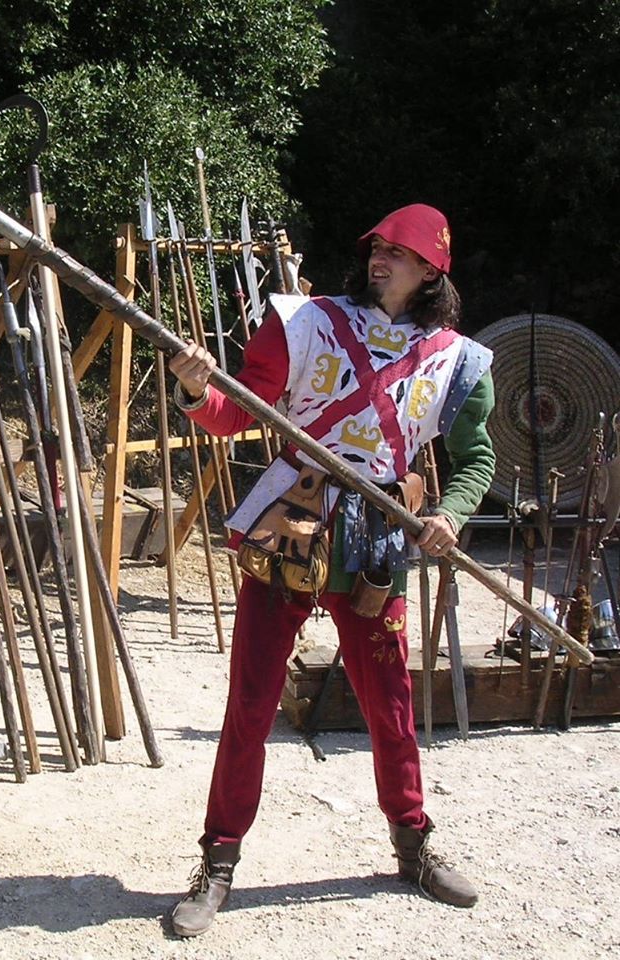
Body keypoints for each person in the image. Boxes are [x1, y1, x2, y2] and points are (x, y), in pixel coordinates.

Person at [168, 203, 495, 937]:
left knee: (390, 704)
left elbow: (477, 461)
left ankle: (412, 845)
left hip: (375, 542)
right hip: (290, 526)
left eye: (399, 254)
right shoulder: (306, 323)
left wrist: (450, 513)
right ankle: (217, 862)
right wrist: (196, 387)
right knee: (251, 700)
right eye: (376, 248)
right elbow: (234, 409)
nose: (381, 260)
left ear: (431, 271)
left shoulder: (457, 359)